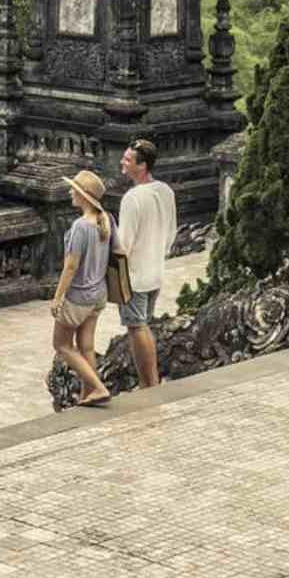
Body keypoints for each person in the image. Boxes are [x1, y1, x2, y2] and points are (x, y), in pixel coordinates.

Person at [49, 169, 115, 408]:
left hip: (78, 296)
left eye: (74, 189)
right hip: (98, 294)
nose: (69, 192)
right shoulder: (105, 219)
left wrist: (58, 298)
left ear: (84, 196)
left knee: (62, 346)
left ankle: (98, 388)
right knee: (86, 346)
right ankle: (90, 395)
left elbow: (71, 267)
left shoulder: (80, 226)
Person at [114, 138, 175, 390]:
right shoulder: (165, 191)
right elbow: (171, 232)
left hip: (135, 275)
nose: (122, 163)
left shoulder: (132, 197)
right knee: (143, 325)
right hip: (155, 271)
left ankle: (148, 384)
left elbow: (123, 244)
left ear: (142, 166)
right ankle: (149, 382)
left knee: (137, 327)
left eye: (128, 160)